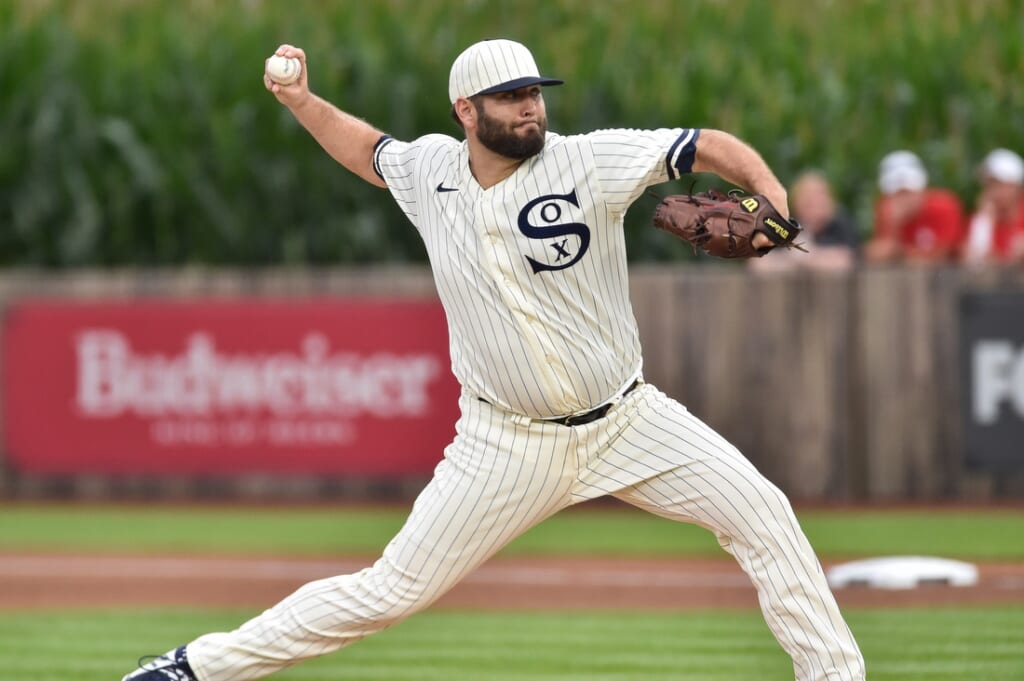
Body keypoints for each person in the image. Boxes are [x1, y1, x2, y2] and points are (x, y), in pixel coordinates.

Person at [121, 39, 865, 681]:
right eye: (509, 97)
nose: (530, 108)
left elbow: (701, 145)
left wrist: (769, 196)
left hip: (629, 419)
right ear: (465, 111)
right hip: (505, 441)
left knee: (763, 512)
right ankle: (195, 667)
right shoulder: (432, 173)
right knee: (388, 591)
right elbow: (368, 150)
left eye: (534, 93)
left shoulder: (586, 161)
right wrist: (302, 101)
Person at [864, 150, 964, 264]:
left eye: (907, 192)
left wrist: (899, 253)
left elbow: (941, 257)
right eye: (898, 193)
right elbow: (881, 252)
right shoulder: (885, 208)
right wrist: (894, 226)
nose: (903, 199)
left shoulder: (943, 206)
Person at [749, 169, 859, 273]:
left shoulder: (839, 225)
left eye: (819, 198)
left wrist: (809, 256)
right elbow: (757, 263)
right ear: (796, 203)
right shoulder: (785, 226)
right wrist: (789, 259)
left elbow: (848, 260)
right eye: (808, 201)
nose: (815, 205)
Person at [962, 148, 1024, 266]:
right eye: (989, 185)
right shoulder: (981, 218)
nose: (993, 191)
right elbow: (974, 266)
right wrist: (984, 223)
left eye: (999, 184)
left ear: (1016, 186)